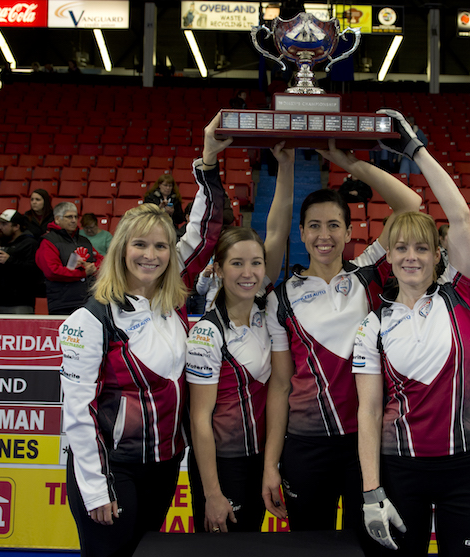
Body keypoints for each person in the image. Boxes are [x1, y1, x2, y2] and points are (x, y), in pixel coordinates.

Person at [59, 114, 230, 557]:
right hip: (113, 471)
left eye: (160, 246)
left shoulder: (171, 298)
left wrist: (207, 163)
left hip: (164, 467)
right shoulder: (90, 320)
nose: (151, 255)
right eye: (139, 245)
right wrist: (96, 491)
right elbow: (79, 414)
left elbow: (207, 230)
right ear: (120, 249)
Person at [262, 125, 421, 546]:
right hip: (305, 447)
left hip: (364, 444)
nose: (324, 235)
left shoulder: (367, 273)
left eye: (334, 225)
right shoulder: (282, 297)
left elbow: (412, 204)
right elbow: (280, 385)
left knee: (367, 544)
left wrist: (352, 165)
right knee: (309, 545)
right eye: (314, 226)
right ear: (302, 233)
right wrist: (271, 462)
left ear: (350, 233)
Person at [352, 109, 470, 556]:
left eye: (421, 248)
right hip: (400, 470)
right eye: (401, 248)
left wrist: (416, 151)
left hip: (466, 467)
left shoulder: (459, 297)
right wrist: (372, 490)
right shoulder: (371, 325)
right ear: (388, 257)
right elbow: (369, 412)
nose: (411, 257)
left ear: (437, 255)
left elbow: (461, 216)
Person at [186, 143, 294, 533]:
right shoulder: (206, 334)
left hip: (263, 457)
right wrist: (212, 493)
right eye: (236, 263)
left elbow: (279, 227)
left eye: (256, 263)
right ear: (218, 269)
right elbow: (199, 419)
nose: (248, 273)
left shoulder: (267, 311)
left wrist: (285, 164)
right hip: (223, 465)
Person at [35, 202, 103, 315]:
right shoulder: (48, 242)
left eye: (75, 217)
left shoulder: (84, 240)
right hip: (63, 304)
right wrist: (82, 273)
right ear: (57, 219)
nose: (73, 220)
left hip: (88, 301)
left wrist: (92, 267)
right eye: (69, 217)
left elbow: (101, 260)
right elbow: (52, 271)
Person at [0, 209, 40, 314]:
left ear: (16, 227)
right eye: (0, 223)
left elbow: (33, 271)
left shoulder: (29, 243)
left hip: (20, 302)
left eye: (4, 224)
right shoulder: (0, 242)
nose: (0, 227)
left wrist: (10, 260)